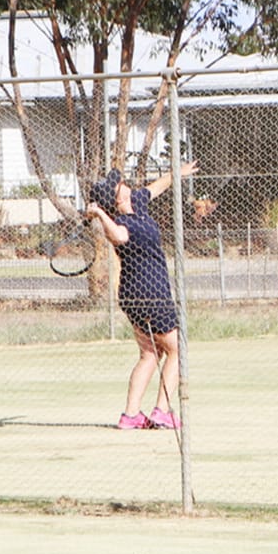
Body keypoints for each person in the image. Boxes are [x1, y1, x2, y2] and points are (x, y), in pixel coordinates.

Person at [87, 160, 199, 430]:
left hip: (138, 294)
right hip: (147, 294)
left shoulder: (137, 202)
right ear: (116, 197)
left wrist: (177, 173)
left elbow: (156, 187)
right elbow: (118, 237)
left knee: (150, 355)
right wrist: (101, 215)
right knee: (177, 350)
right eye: (117, 185)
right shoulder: (122, 222)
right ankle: (162, 411)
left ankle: (130, 415)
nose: (122, 184)